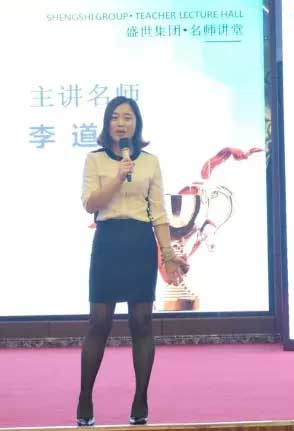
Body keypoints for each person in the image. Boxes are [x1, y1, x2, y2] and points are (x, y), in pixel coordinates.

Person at [77, 96, 188, 426]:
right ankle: (85, 396)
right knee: (99, 322)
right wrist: (118, 176)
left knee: (141, 322)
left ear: (137, 123)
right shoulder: (95, 159)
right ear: (107, 123)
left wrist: (168, 254)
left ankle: (141, 398)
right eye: (115, 117)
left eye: (127, 117)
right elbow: (90, 204)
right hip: (108, 241)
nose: (121, 123)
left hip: (140, 242)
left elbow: (159, 213)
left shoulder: (150, 162)